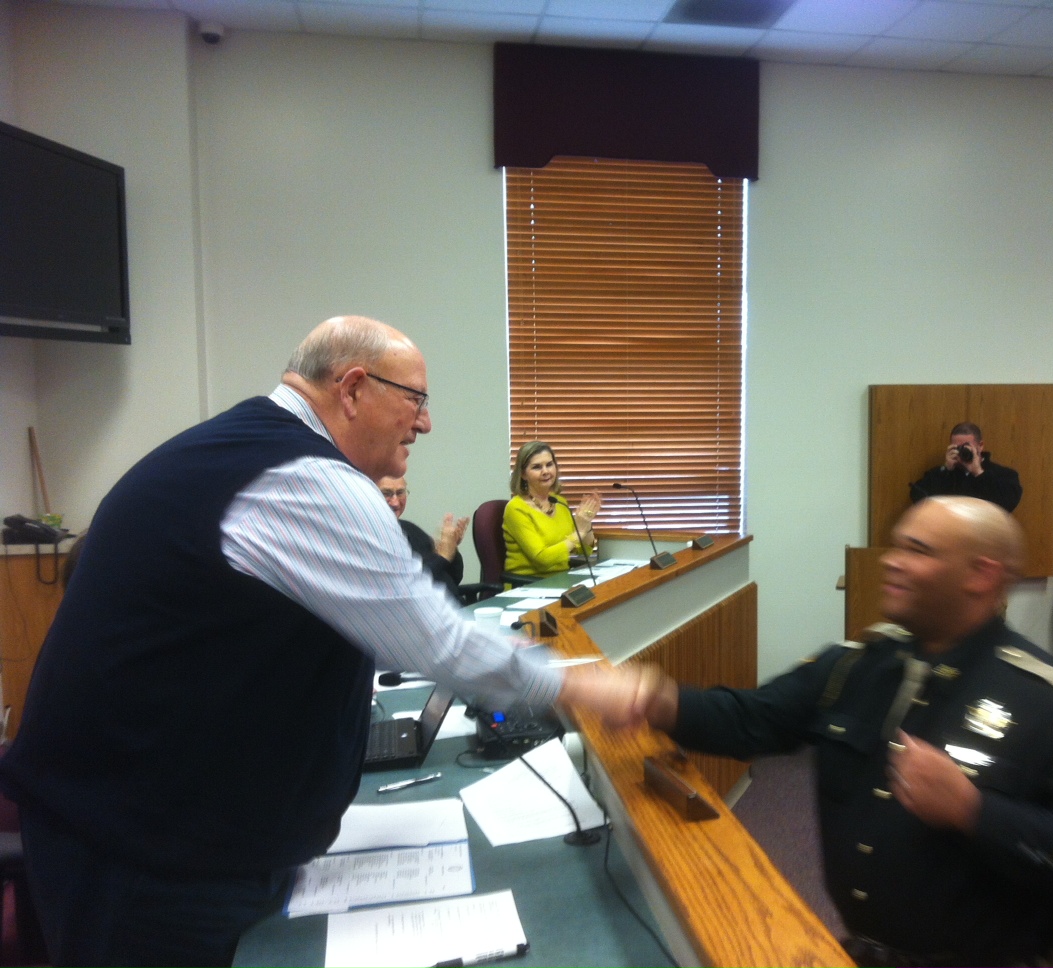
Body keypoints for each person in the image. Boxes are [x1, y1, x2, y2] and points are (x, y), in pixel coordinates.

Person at [0, 316, 649, 968]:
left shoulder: (246, 447)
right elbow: (438, 644)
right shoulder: (303, 477)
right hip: (143, 861)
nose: (425, 424)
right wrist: (590, 687)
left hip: (172, 836)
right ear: (354, 388)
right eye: (416, 400)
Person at [641, 497, 1053, 968]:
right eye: (895, 545)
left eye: (917, 550)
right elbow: (753, 719)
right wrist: (654, 700)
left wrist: (975, 811)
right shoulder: (857, 665)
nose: (891, 561)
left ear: (980, 575)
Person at [502, 440, 601, 580]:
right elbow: (542, 559)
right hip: (528, 583)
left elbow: (584, 551)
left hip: (562, 579)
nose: (546, 471)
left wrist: (586, 522)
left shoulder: (559, 502)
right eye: (537, 467)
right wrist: (579, 533)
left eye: (549, 464)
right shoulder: (516, 508)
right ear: (523, 474)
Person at [377, 475, 469, 602]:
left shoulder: (409, 528)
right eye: (386, 494)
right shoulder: (371, 538)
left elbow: (454, 577)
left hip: (454, 607)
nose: (396, 502)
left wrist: (451, 548)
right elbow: (408, 586)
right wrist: (443, 557)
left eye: (400, 493)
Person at [909, 422, 1022, 512]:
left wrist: (978, 473)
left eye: (966, 447)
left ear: (980, 446)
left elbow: (1008, 504)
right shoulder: (942, 473)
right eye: (956, 447)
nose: (961, 451)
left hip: (984, 532)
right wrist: (945, 471)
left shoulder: (1004, 474)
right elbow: (918, 499)